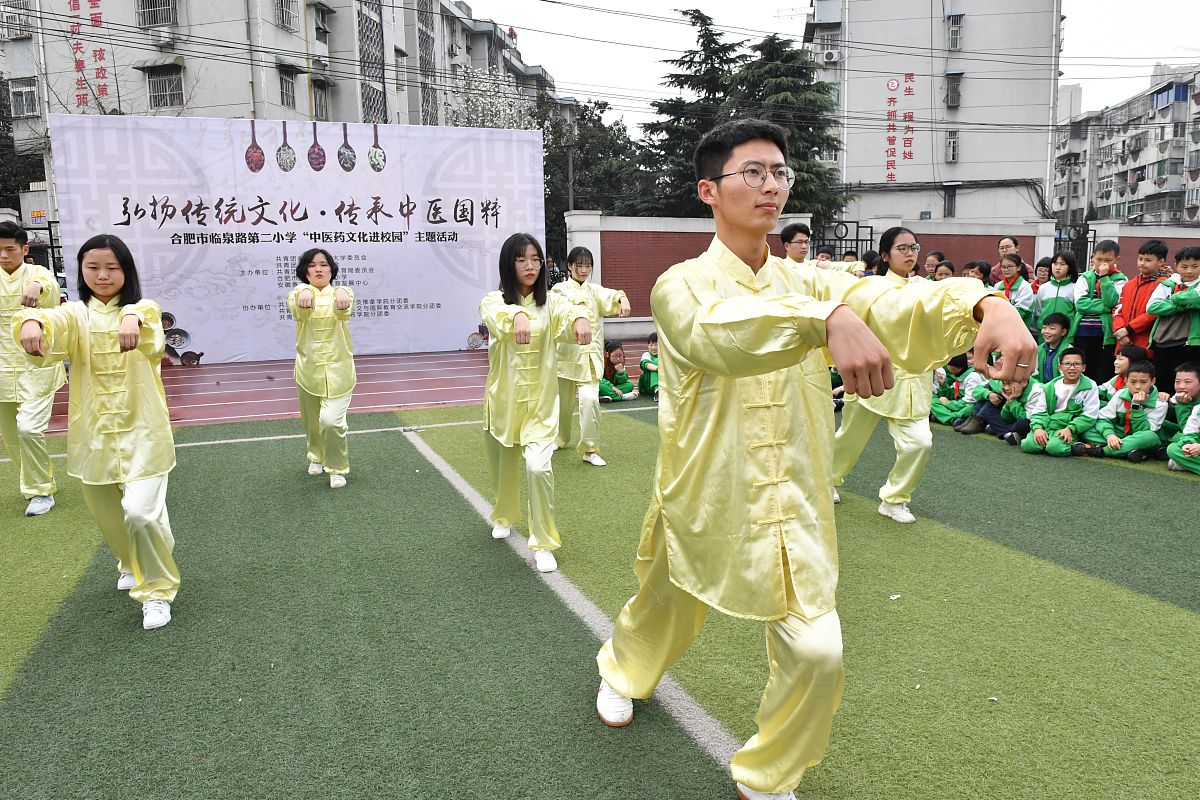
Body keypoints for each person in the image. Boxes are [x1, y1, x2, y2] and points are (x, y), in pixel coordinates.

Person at [593, 119, 1034, 800]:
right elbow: (716, 338)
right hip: (705, 496)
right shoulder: (680, 286)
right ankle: (622, 671)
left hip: (794, 501)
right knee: (664, 607)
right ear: (709, 190)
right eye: (754, 173)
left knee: (819, 652)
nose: (772, 186)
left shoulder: (814, 280)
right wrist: (818, 322)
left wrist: (985, 303)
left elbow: (891, 298)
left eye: (780, 173)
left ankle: (768, 773)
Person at [16, 234, 180, 630]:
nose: (103, 276)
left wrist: (130, 317)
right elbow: (49, 321)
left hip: (145, 432)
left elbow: (150, 328)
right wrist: (32, 320)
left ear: (127, 270)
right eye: (93, 268)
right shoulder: (75, 314)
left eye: (112, 267)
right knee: (109, 517)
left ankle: (157, 591)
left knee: (141, 514)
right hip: (95, 433)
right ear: (81, 270)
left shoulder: (145, 308)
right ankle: (129, 562)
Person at [480, 232, 592, 574]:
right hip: (504, 403)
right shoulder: (493, 300)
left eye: (535, 259)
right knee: (503, 469)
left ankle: (543, 541)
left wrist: (580, 319)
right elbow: (497, 317)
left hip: (542, 406)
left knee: (538, 468)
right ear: (508, 264)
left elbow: (569, 309)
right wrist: (516, 317)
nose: (530, 266)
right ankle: (504, 514)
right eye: (521, 260)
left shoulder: (552, 302)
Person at [833, 229, 957, 524]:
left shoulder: (927, 288)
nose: (910, 253)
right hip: (871, 374)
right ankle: (829, 479)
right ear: (886, 255)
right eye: (902, 248)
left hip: (913, 379)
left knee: (919, 442)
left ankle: (894, 499)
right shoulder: (870, 287)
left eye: (914, 247)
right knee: (849, 437)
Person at [0, 221, 65, 517]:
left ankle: (41, 492)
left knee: (28, 428)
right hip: (2, 369)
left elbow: (47, 282)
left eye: (9, 249)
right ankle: (37, 483)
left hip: (35, 367)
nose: (3, 255)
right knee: (12, 436)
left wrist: (36, 287)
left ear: (24, 249)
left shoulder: (37, 274)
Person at [551, 246, 631, 467]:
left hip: (589, 360)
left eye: (588, 265)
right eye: (580, 265)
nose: (584, 270)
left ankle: (589, 449)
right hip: (565, 358)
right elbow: (559, 312)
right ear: (569, 266)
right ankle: (560, 438)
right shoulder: (559, 291)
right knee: (562, 406)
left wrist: (621, 298)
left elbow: (610, 295)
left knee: (589, 400)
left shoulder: (594, 291)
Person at [287, 249, 355, 489]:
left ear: (331, 270)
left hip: (340, 371)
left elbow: (343, 311)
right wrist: (305, 291)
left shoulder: (343, 292)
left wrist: (339, 298)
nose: (318, 269)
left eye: (324, 265)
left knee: (331, 421)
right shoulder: (297, 293)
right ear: (305, 271)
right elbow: (299, 312)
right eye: (313, 265)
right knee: (311, 422)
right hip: (308, 370)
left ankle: (337, 468)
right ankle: (316, 455)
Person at [1073, 360, 1166, 461]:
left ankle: (1100, 451)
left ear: (1152, 381)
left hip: (1140, 438)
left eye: (1143, 382)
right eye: (1133, 382)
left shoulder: (1160, 404)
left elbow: (1143, 431)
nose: (1138, 387)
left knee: (1150, 437)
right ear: (1126, 381)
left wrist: (1136, 406)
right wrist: (1110, 435)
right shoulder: (1120, 394)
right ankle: (1131, 451)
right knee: (1087, 429)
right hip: (1119, 434)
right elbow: (1103, 418)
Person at [1019, 347, 1100, 457]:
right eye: (1067, 364)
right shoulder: (1049, 387)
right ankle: (1053, 441)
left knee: (1055, 448)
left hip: (1068, 427)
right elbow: (1039, 411)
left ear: (1083, 367)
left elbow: (1090, 415)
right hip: (1047, 424)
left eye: (1076, 364)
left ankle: (1077, 446)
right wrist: (1038, 428)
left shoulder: (1090, 386)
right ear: (1060, 367)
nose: (1072, 368)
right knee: (1028, 445)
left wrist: (1070, 429)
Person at [1072, 240, 1126, 383]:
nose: (1103, 263)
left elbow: (1112, 302)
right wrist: (1105, 308)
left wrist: (1104, 278)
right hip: (1083, 332)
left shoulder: (1120, 279)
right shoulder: (1084, 277)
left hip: (1105, 334)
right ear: (1093, 258)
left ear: (1116, 260)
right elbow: (1080, 304)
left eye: (1108, 260)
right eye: (1099, 259)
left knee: (1102, 371)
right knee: (1083, 371)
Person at [1147, 245, 1200, 392]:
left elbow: (1195, 299)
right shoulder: (1168, 283)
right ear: (1176, 266)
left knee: (1186, 385)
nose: (1189, 271)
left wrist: (1174, 298)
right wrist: (1182, 305)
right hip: (1162, 343)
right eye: (1184, 266)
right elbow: (1152, 307)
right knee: (1163, 385)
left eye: (1195, 266)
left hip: (1188, 345)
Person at [1111, 239, 1166, 352]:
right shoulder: (1130, 284)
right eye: (1140, 259)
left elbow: (1153, 313)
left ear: (1161, 262)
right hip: (1123, 342)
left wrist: (1128, 329)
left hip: (1145, 345)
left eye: (1148, 260)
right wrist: (1120, 331)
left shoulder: (1164, 284)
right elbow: (1118, 310)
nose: (1142, 263)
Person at [929, 353, 985, 426]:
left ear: (951, 367)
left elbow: (969, 401)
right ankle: (952, 418)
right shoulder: (960, 376)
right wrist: (943, 384)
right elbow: (950, 395)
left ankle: (949, 417)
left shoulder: (973, 377)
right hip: (957, 404)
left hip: (969, 405)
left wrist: (948, 403)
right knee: (932, 399)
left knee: (969, 409)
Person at [1155, 361, 1199, 455]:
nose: (1181, 386)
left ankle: (1164, 450)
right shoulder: (1178, 396)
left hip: (1194, 436)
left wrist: (1183, 406)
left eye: (1187, 382)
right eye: (1177, 382)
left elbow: (1188, 430)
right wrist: (1163, 401)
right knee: (1158, 423)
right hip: (1181, 432)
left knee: (1178, 437)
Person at [1033, 251, 1078, 329]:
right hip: (1045, 335)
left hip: (1066, 334)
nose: (1057, 267)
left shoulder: (1075, 288)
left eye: (1062, 264)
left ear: (1070, 266)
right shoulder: (1043, 288)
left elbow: (1076, 313)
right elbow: (1038, 312)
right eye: (1055, 263)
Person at [994, 252, 1036, 333]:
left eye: (1010, 266)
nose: (1006, 270)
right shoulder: (997, 286)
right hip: (999, 328)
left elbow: (1021, 311)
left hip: (1019, 330)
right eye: (1003, 267)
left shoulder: (1025, 287)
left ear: (1019, 267)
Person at [1033, 312, 1071, 384]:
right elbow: (1034, 373)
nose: (1046, 332)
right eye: (1044, 328)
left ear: (1063, 332)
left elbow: (1066, 377)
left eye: (1052, 328)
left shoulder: (1068, 350)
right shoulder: (1039, 349)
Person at [1165, 402, 1200, 474]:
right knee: (1172, 448)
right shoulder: (1197, 409)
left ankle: (1187, 464)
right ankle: (1188, 464)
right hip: (1197, 450)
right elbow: (1190, 433)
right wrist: (1188, 444)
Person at [638, 332, 659, 401]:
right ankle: (657, 390)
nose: (653, 348)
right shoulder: (646, 355)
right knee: (655, 362)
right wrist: (657, 368)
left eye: (656, 345)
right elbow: (645, 365)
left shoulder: (665, 355)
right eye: (651, 345)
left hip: (663, 381)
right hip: (648, 384)